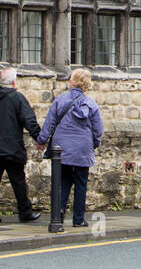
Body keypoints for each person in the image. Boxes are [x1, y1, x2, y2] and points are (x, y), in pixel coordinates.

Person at [36, 68, 103, 227]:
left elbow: (50, 123)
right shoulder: (91, 104)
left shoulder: (60, 100)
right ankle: (78, 219)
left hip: (62, 148)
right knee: (81, 183)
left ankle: (58, 214)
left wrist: (42, 140)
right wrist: (95, 144)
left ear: (72, 82)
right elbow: (98, 130)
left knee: (63, 181)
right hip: (82, 148)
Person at [0, 66, 42, 224]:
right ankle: (25, 212)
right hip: (12, 147)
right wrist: (39, 138)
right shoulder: (17, 98)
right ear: (14, 82)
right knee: (18, 181)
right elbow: (29, 120)